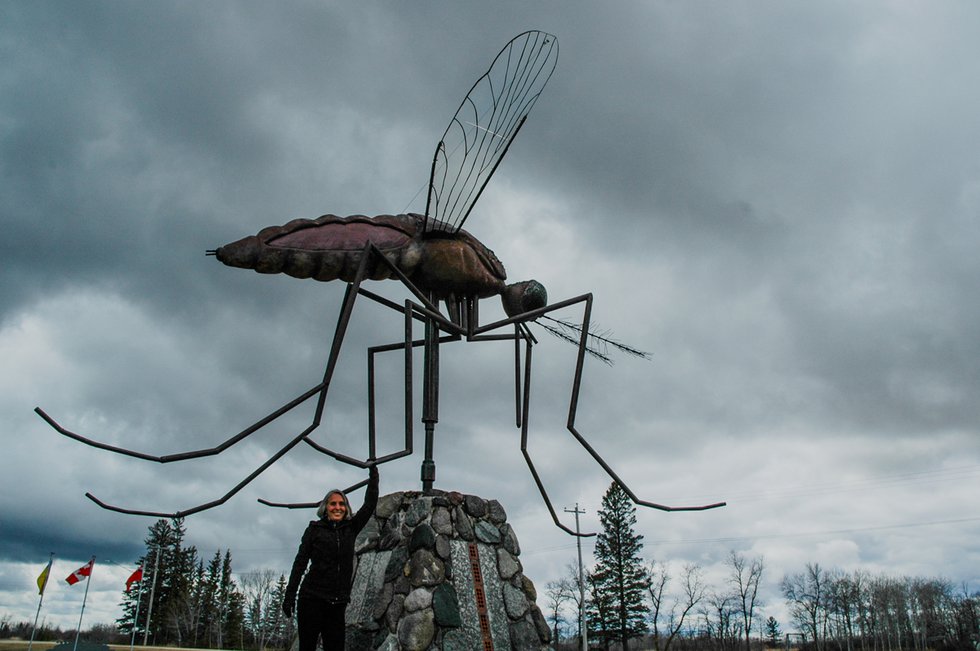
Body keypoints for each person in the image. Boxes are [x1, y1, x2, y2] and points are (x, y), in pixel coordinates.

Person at [283, 465, 379, 651]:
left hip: (337, 603)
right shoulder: (315, 530)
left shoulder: (350, 528)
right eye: (333, 504)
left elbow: (369, 505)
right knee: (307, 647)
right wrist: (290, 596)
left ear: (346, 508)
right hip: (312, 599)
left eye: (341, 504)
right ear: (325, 508)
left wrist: (373, 478)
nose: (338, 507)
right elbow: (300, 564)